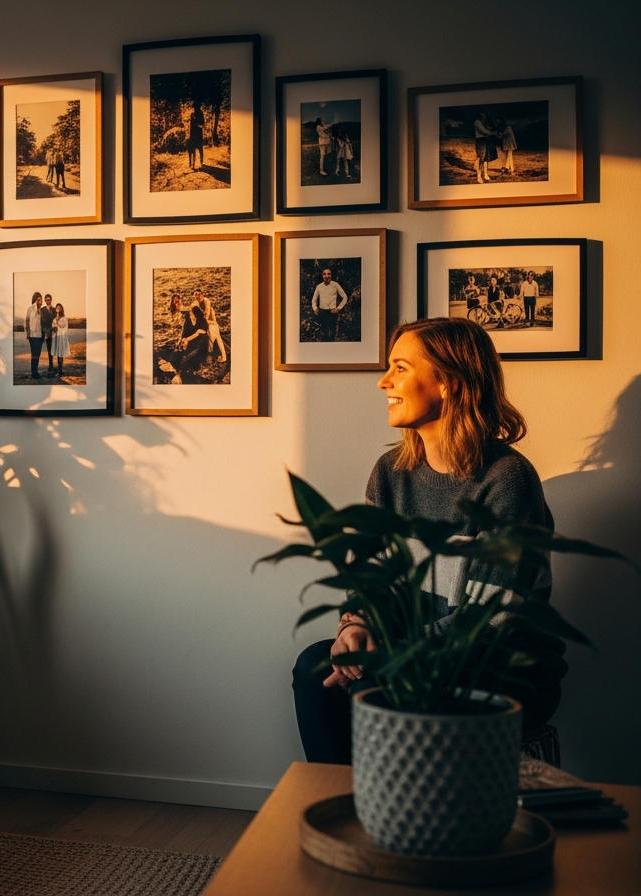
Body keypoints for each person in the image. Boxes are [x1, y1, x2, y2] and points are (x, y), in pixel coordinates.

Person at [292, 317, 566, 764]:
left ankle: (395, 818)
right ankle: (341, 812)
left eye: (400, 367)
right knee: (314, 666)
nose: (384, 382)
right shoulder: (391, 473)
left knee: (373, 683)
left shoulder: (506, 479)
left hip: (502, 671)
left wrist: (387, 655)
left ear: (448, 382)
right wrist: (355, 626)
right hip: (403, 654)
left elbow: (490, 618)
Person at [310, 268, 349, 342]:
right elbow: (313, 300)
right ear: (322, 276)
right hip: (322, 312)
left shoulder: (335, 285)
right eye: (324, 274)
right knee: (323, 334)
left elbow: (345, 297)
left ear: (331, 275)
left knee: (332, 334)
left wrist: (338, 308)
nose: (326, 276)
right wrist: (315, 308)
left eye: (328, 274)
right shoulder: (319, 287)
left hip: (332, 312)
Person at [195, 289, 228, 363]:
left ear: (202, 294)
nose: (198, 296)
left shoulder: (206, 301)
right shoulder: (198, 303)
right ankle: (220, 356)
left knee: (213, 337)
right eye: (196, 295)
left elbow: (207, 315)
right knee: (215, 337)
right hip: (208, 324)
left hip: (212, 324)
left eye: (199, 294)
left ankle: (212, 355)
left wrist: (205, 319)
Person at [473, 110, 497, 184]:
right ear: (479, 116)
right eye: (481, 115)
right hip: (480, 141)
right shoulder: (477, 122)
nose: (483, 117)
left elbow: (487, 130)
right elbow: (483, 131)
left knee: (486, 158)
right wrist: (492, 133)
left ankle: (485, 174)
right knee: (481, 158)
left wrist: (491, 131)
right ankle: (479, 176)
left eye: (484, 115)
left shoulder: (485, 122)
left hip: (486, 140)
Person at [24, 292, 44, 378]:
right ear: (35, 300)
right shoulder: (31, 309)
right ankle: (34, 372)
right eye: (39, 300)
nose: (41, 301)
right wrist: (27, 334)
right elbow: (26, 322)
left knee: (37, 354)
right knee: (34, 354)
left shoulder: (42, 310)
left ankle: (35, 371)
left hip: (40, 336)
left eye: (41, 300)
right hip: (33, 335)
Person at [51, 303, 71, 377]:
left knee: (61, 354)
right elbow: (53, 327)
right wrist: (54, 328)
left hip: (62, 337)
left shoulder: (64, 318)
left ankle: (60, 371)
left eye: (59, 307)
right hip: (56, 337)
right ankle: (59, 370)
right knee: (58, 354)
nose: (58, 308)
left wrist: (60, 326)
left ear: (61, 309)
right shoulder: (54, 319)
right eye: (57, 307)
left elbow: (66, 328)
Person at [40, 295, 56, 374]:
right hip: (44, 332)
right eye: (46, 300)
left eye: (49, 300)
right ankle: (36, 369)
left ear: (51, 300)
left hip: (52, 332)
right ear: (45, 301)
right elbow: (41, 321)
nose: (47, 301)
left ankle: (52, 366)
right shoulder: (42, 310)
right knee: (44, 349)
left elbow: (56, 321)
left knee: (51, 350)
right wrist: (44, 332)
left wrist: (53, 331)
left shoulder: (54, 310)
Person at [187, 103, 206, 169]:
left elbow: (203, 124)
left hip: (198, 134)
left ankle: (201, 162)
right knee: (192, 149)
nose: (195, 108)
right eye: (194, 107)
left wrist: (199, 125)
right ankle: (193, 164)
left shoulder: (201, 113)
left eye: (196, 107)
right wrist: (189, 134)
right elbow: (190, 125)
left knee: (200, 149)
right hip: (193, 134)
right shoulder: (192, 114)